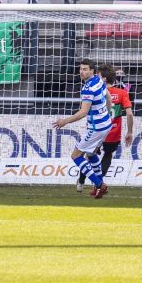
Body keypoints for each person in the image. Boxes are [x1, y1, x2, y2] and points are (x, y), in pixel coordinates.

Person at [53, 59, 113, 200]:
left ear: (92, 71)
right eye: (81, 69)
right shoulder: (98, 80)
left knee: (76, 156)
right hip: (106, 124)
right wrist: (107, 114)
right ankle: (99, 185)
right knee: (91, 154)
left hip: (97, 127)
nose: (82, 71)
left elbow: (83, 112)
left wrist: (64, 121)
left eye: (85, 69)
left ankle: (99, 184)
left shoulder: (87, 89)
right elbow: (108, 98)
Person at [77, 65, 133, 193]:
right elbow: (129, 113)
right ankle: (98, 184)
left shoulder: (97, 90)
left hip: (98, 129)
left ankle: (81, 181)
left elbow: (84, 108)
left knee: (88, 155)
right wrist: (129, 131)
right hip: (113, 131)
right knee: (107, 155)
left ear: (103, 78)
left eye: (98, 75)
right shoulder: (122, 93)